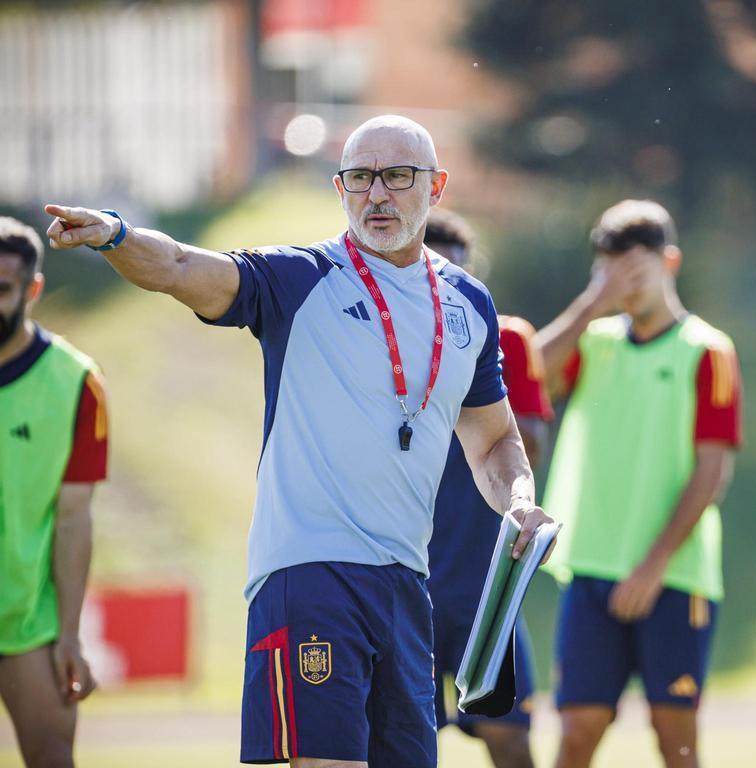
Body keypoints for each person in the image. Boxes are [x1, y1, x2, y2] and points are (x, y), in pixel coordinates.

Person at [43, 115, 554, 768]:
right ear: (340, 189)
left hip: (405, 582)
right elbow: (176, 265)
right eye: (359, 178)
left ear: (437, 186)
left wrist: (518, 500)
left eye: (397, 177)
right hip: (310, 572)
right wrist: (115, 235)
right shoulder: (297, 277)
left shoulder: (468, 304)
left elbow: (492, 440)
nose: (377, 195)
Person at [535, 200, 741, 768]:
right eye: (612, 269)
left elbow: (711, 471)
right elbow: (530, 380)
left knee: (674, 737)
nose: (626, 282)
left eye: (638, 268)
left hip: (673, 575)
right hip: (593, 569)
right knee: (577, 731)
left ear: (669, 262)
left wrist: (652, 567)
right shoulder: (594, 340)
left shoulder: (708, 351)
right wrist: (589, 303)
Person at [424, 209, 552, 768]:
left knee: (510, 735)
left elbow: (532, 445)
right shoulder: (383, 349)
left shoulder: (506, 340)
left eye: (458, 273)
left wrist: (463, 366)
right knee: (402, 742)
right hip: (408, 580)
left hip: (484, 581)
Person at [0, 216, 107, 767]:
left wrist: (70, 635)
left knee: (52, 757)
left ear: (32, 290)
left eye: (3, 290)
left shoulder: (75, 382)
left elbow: (73, 520)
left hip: (27, 622)